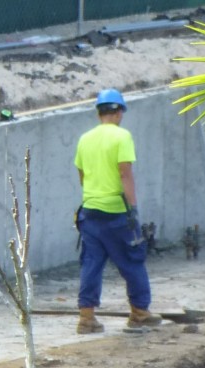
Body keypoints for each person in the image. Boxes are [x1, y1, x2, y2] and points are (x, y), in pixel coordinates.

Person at [74, 88, 162, 334]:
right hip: (115, 212)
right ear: (119, 111)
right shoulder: (122, 137)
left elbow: (82, 175)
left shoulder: (85, 139)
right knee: (132, 261)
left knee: (91, 264)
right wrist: (132, 209)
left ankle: (86, 317)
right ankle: (139, 313)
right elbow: (125, 173)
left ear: (99, 112)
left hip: (89, 212)